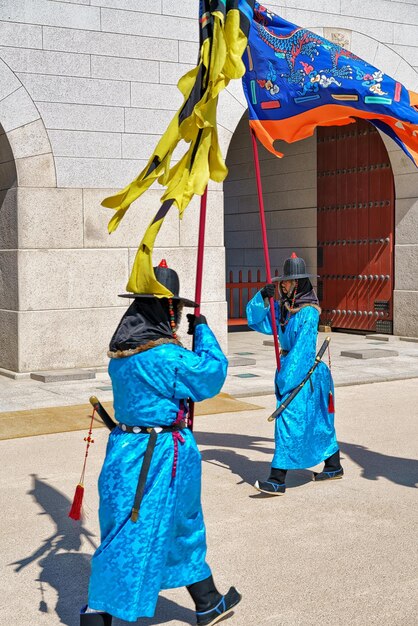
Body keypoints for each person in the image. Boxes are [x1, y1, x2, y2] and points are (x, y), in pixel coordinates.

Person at [80, 260, 241, 625]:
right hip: (161, 455)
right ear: (167, 309)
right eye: (177, 309)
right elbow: (209, 376)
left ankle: (208, 599)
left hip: (125, 449)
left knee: (171, 524)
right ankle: (97, 612)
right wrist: (203, 331)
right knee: (135, 531)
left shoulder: (121, 354)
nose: (178, 315)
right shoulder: (165, 355)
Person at [246, 253, 343, 495]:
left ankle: (277, 478)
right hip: (293, 367)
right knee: (316, 421)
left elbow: (302, 350)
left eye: (288, 282)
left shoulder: (309, 313)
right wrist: (263, 297)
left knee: (290, 420)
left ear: (298, 284)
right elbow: (256, 321)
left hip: (306, 373)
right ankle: (334, 465)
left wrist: (286, 380)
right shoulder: (284, 309)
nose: (283, 285)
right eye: (282, 282)